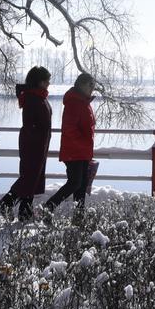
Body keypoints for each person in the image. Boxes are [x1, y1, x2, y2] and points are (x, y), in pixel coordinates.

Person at [0, 66, 53, 221]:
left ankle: (25, 211)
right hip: (33, 144)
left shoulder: (38, 97)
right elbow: (31, 124)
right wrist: (38, 138)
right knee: (29, 177)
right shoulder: (33, 98)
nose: (48, 83)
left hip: (38, 144)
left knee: (32, 178)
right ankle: (6, 203)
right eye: (46, 80)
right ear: (39, 82)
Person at [43, 72, 98, 219]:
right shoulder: (74, 102)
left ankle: (78, 217)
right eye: (90, 85)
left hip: (82, 151)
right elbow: (70, 128)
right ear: (81, 84)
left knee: (81, 185)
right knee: (74, 183)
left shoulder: (83, 101)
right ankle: (48, 208)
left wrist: (86, 147)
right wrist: (83, 143)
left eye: (94, 85)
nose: (93, 88)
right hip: (74, 151)